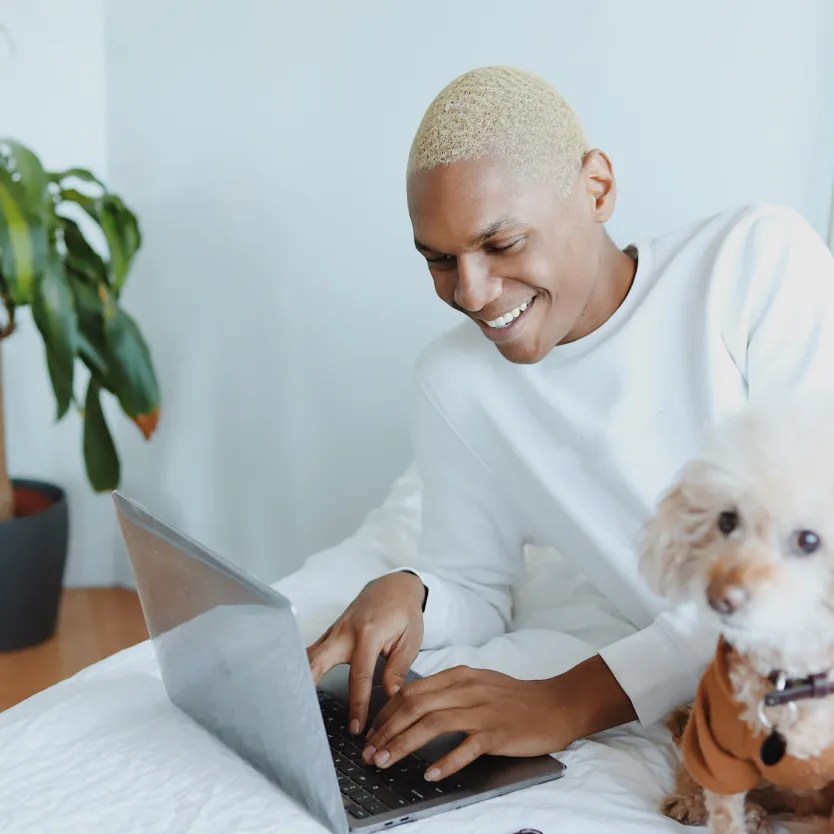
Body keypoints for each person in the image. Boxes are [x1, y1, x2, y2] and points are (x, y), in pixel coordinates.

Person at [306, 66, 834, 784]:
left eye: (502, 244)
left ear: (597, 188)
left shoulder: (754, 263)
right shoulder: (453, 381)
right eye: (439, 260)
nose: (472, 293)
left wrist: (566, 702)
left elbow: (808, 576)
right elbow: (478, 582)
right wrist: (413, 591)